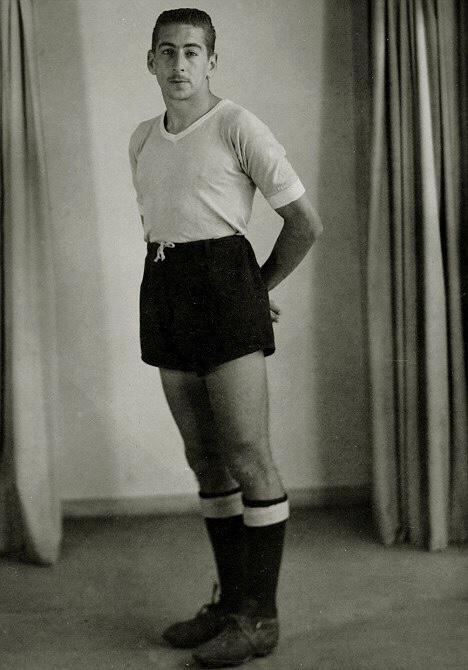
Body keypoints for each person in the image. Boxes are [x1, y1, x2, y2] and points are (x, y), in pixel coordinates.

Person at [129, 8, 323, 668]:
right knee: (203, 458)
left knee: (247, 452)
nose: (179, 63)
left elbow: (305, 222)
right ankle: (231, 602)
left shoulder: (237, 125)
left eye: (192, 51)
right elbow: (165, 223)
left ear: (211, 61)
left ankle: (259, 618)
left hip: (225, 288)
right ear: (150, 61)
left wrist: (254, 289)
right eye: (167, 51)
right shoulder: (142, 138)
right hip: (164, 289)